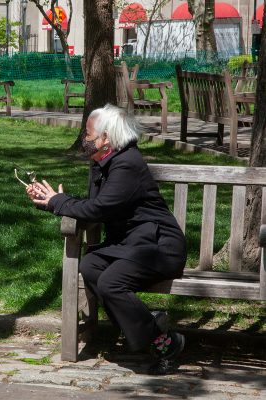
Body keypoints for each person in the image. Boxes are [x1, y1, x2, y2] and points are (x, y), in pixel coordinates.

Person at [26, 104, 187, 374]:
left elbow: (100, 209)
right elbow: (98, 205)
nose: (84, 140)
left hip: (159, 247)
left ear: (107, 139)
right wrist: (49, 201)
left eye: (89, 135)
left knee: (112, 282)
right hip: (133, 245)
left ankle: (163, 341)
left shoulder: (127, 164)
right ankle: (149, 329)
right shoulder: (104, 163)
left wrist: (59, 202)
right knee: (90, 266)